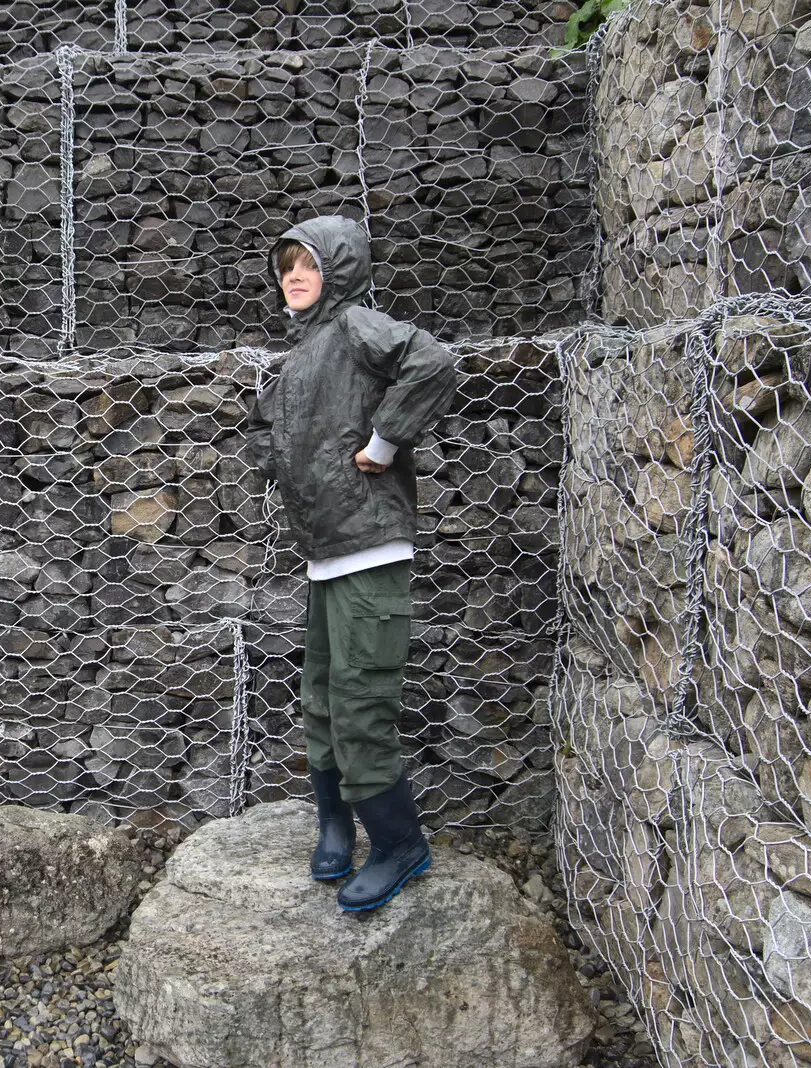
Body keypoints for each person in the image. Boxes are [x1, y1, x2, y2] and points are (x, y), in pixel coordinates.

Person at [247, 215, 457, 912]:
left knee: (362, 701)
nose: (295, 277)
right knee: (321, 699)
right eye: (286, 267)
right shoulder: (304, 351)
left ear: (338, 270)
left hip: (369, 544)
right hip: (327, 554)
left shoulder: (356, 325)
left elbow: (431, 361)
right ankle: (336, 826)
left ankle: (399, 844)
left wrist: (385, 443)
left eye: (309, 264)